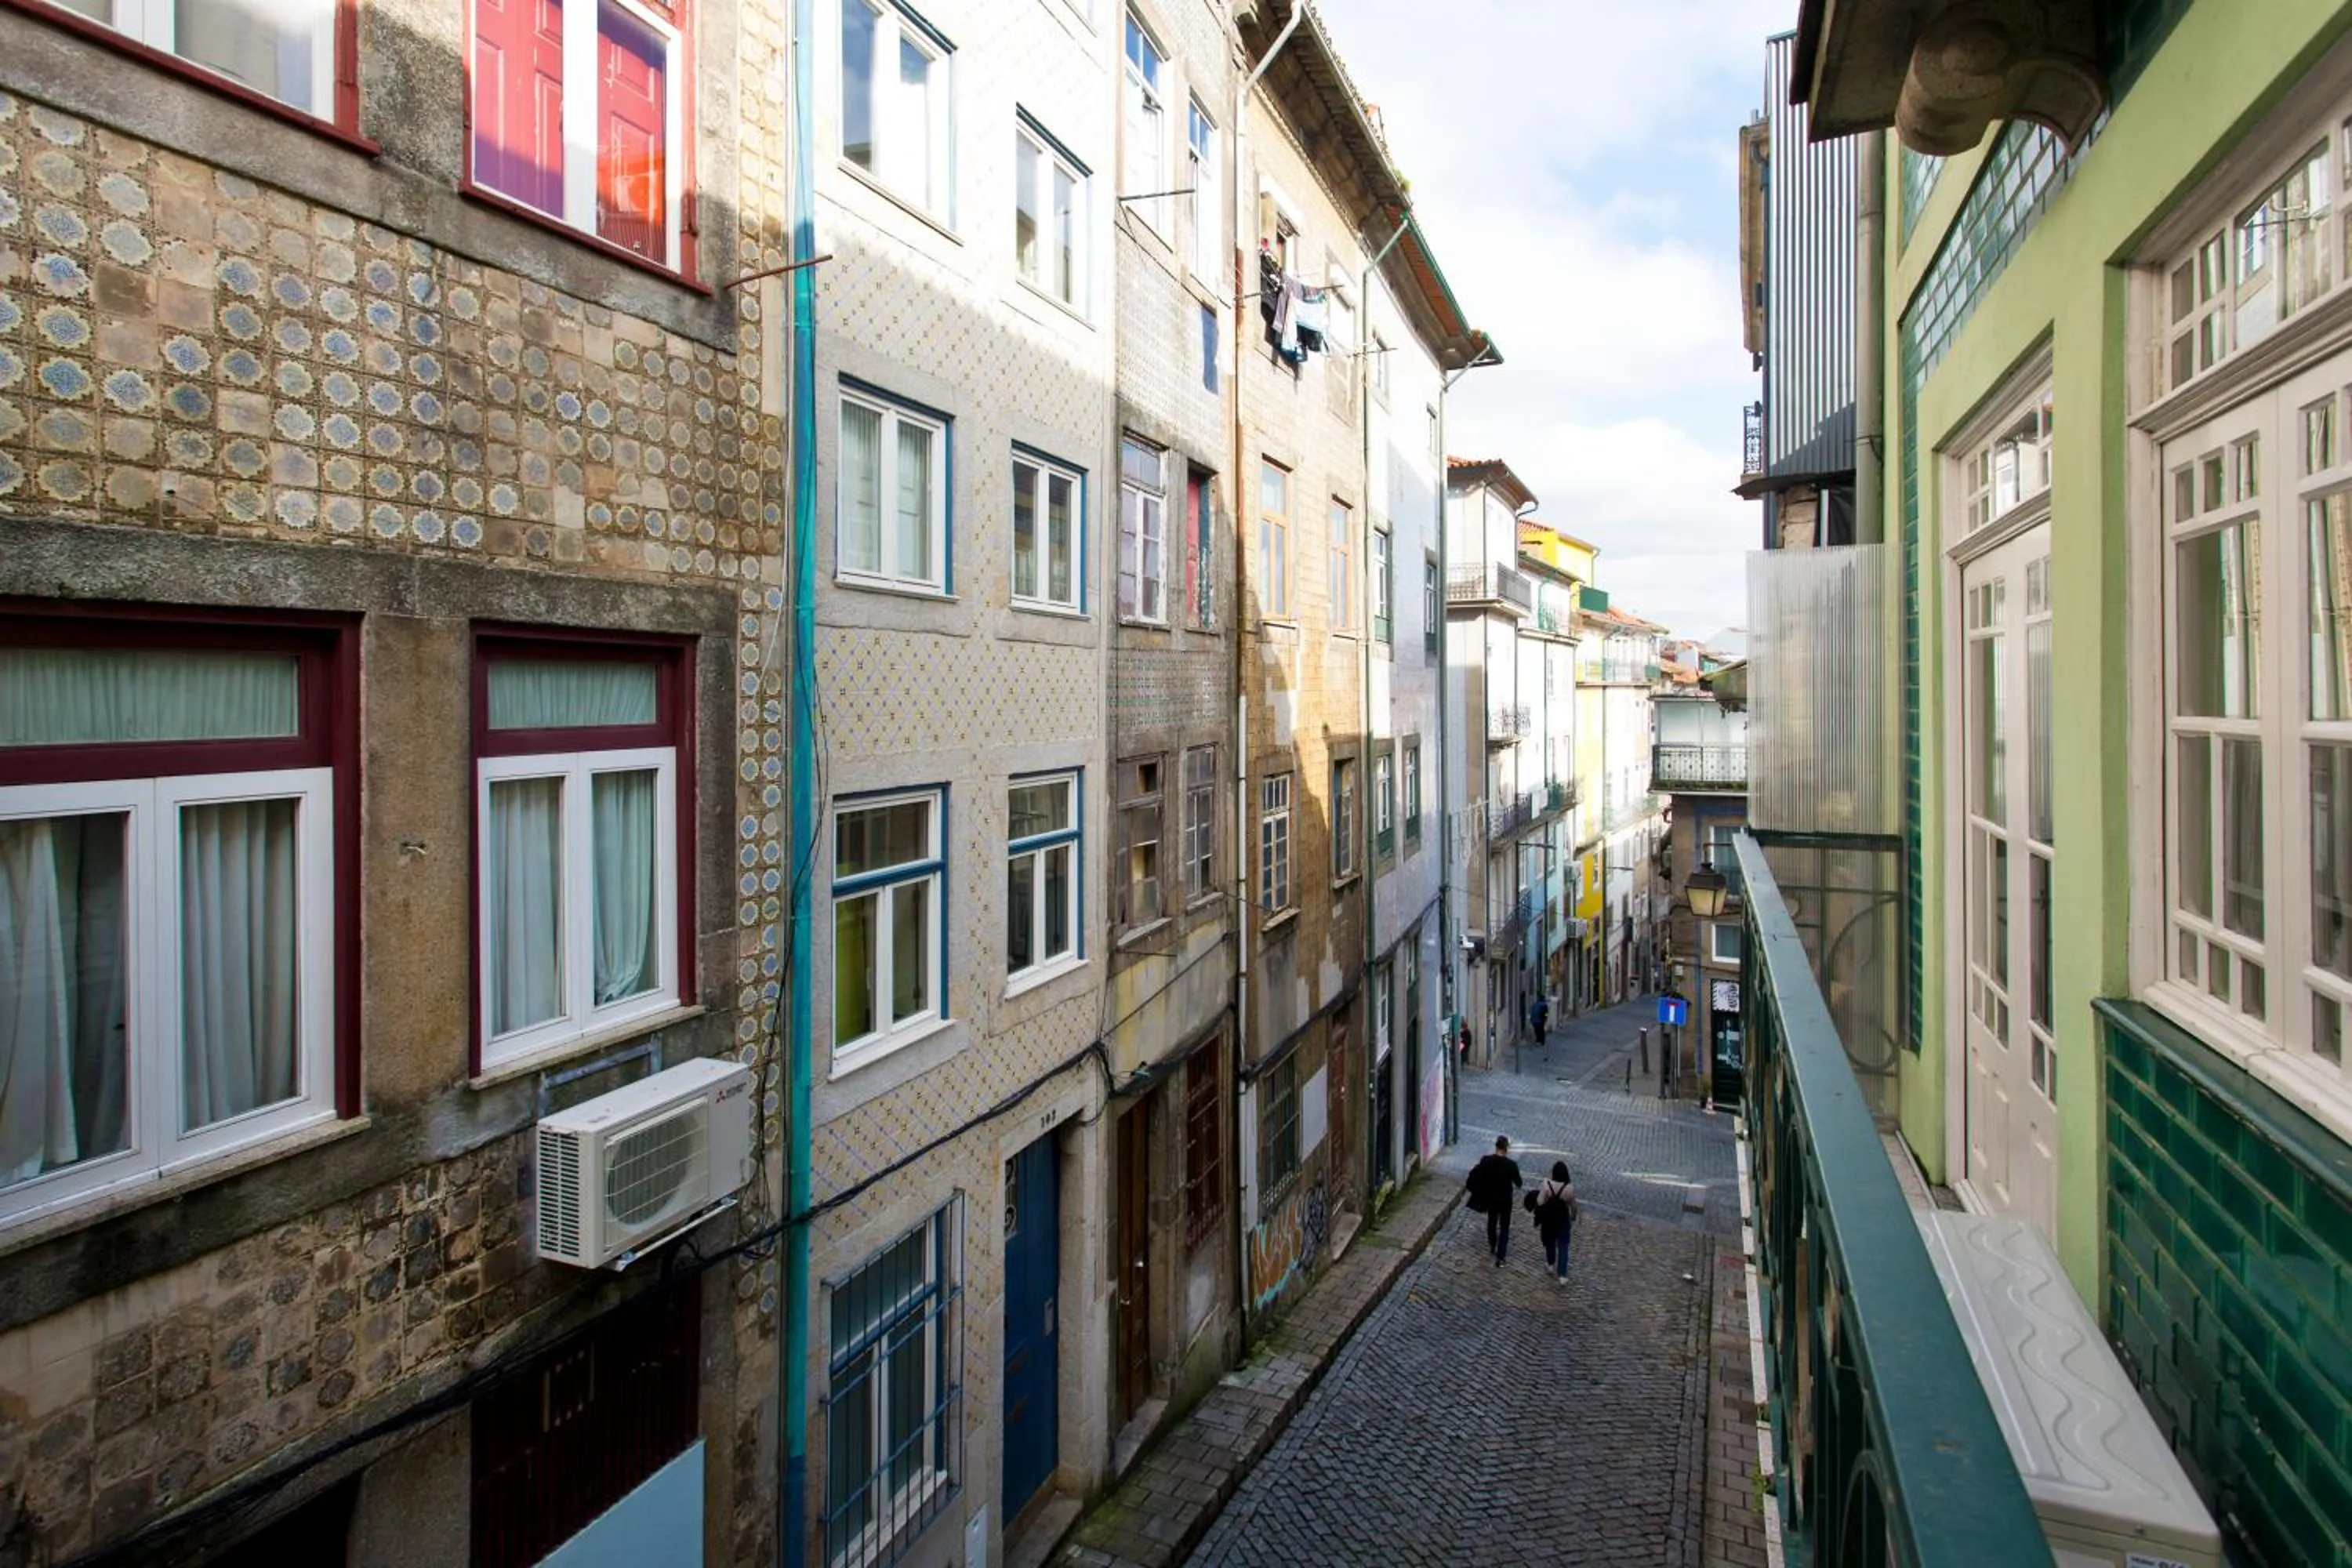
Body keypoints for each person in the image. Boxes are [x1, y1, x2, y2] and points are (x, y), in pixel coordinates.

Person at [1465, 1135, 1524, 1266]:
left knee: (1492, 1222)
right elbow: (1519, 1183)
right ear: (1506, 1149)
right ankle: (1501, 1256)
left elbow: (1479, 1175)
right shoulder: (1511, 1165)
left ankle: (1493, 1245)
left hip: (1490, 1198)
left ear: (1496, 1146)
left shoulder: (1486, 1161)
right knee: (1504, 1227)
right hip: (1505, 1200)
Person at [1534, 1160, 1579, 1286]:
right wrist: (1573, 1217)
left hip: (1549, 1218)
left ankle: (1550, 1264)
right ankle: (1562, 1275)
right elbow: (1573, 1206)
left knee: (1550, 1241)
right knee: (1563, 1245)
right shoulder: (1569, 1188)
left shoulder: (1546, 1184)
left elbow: (1540, 1201)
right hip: (1563, 1218)